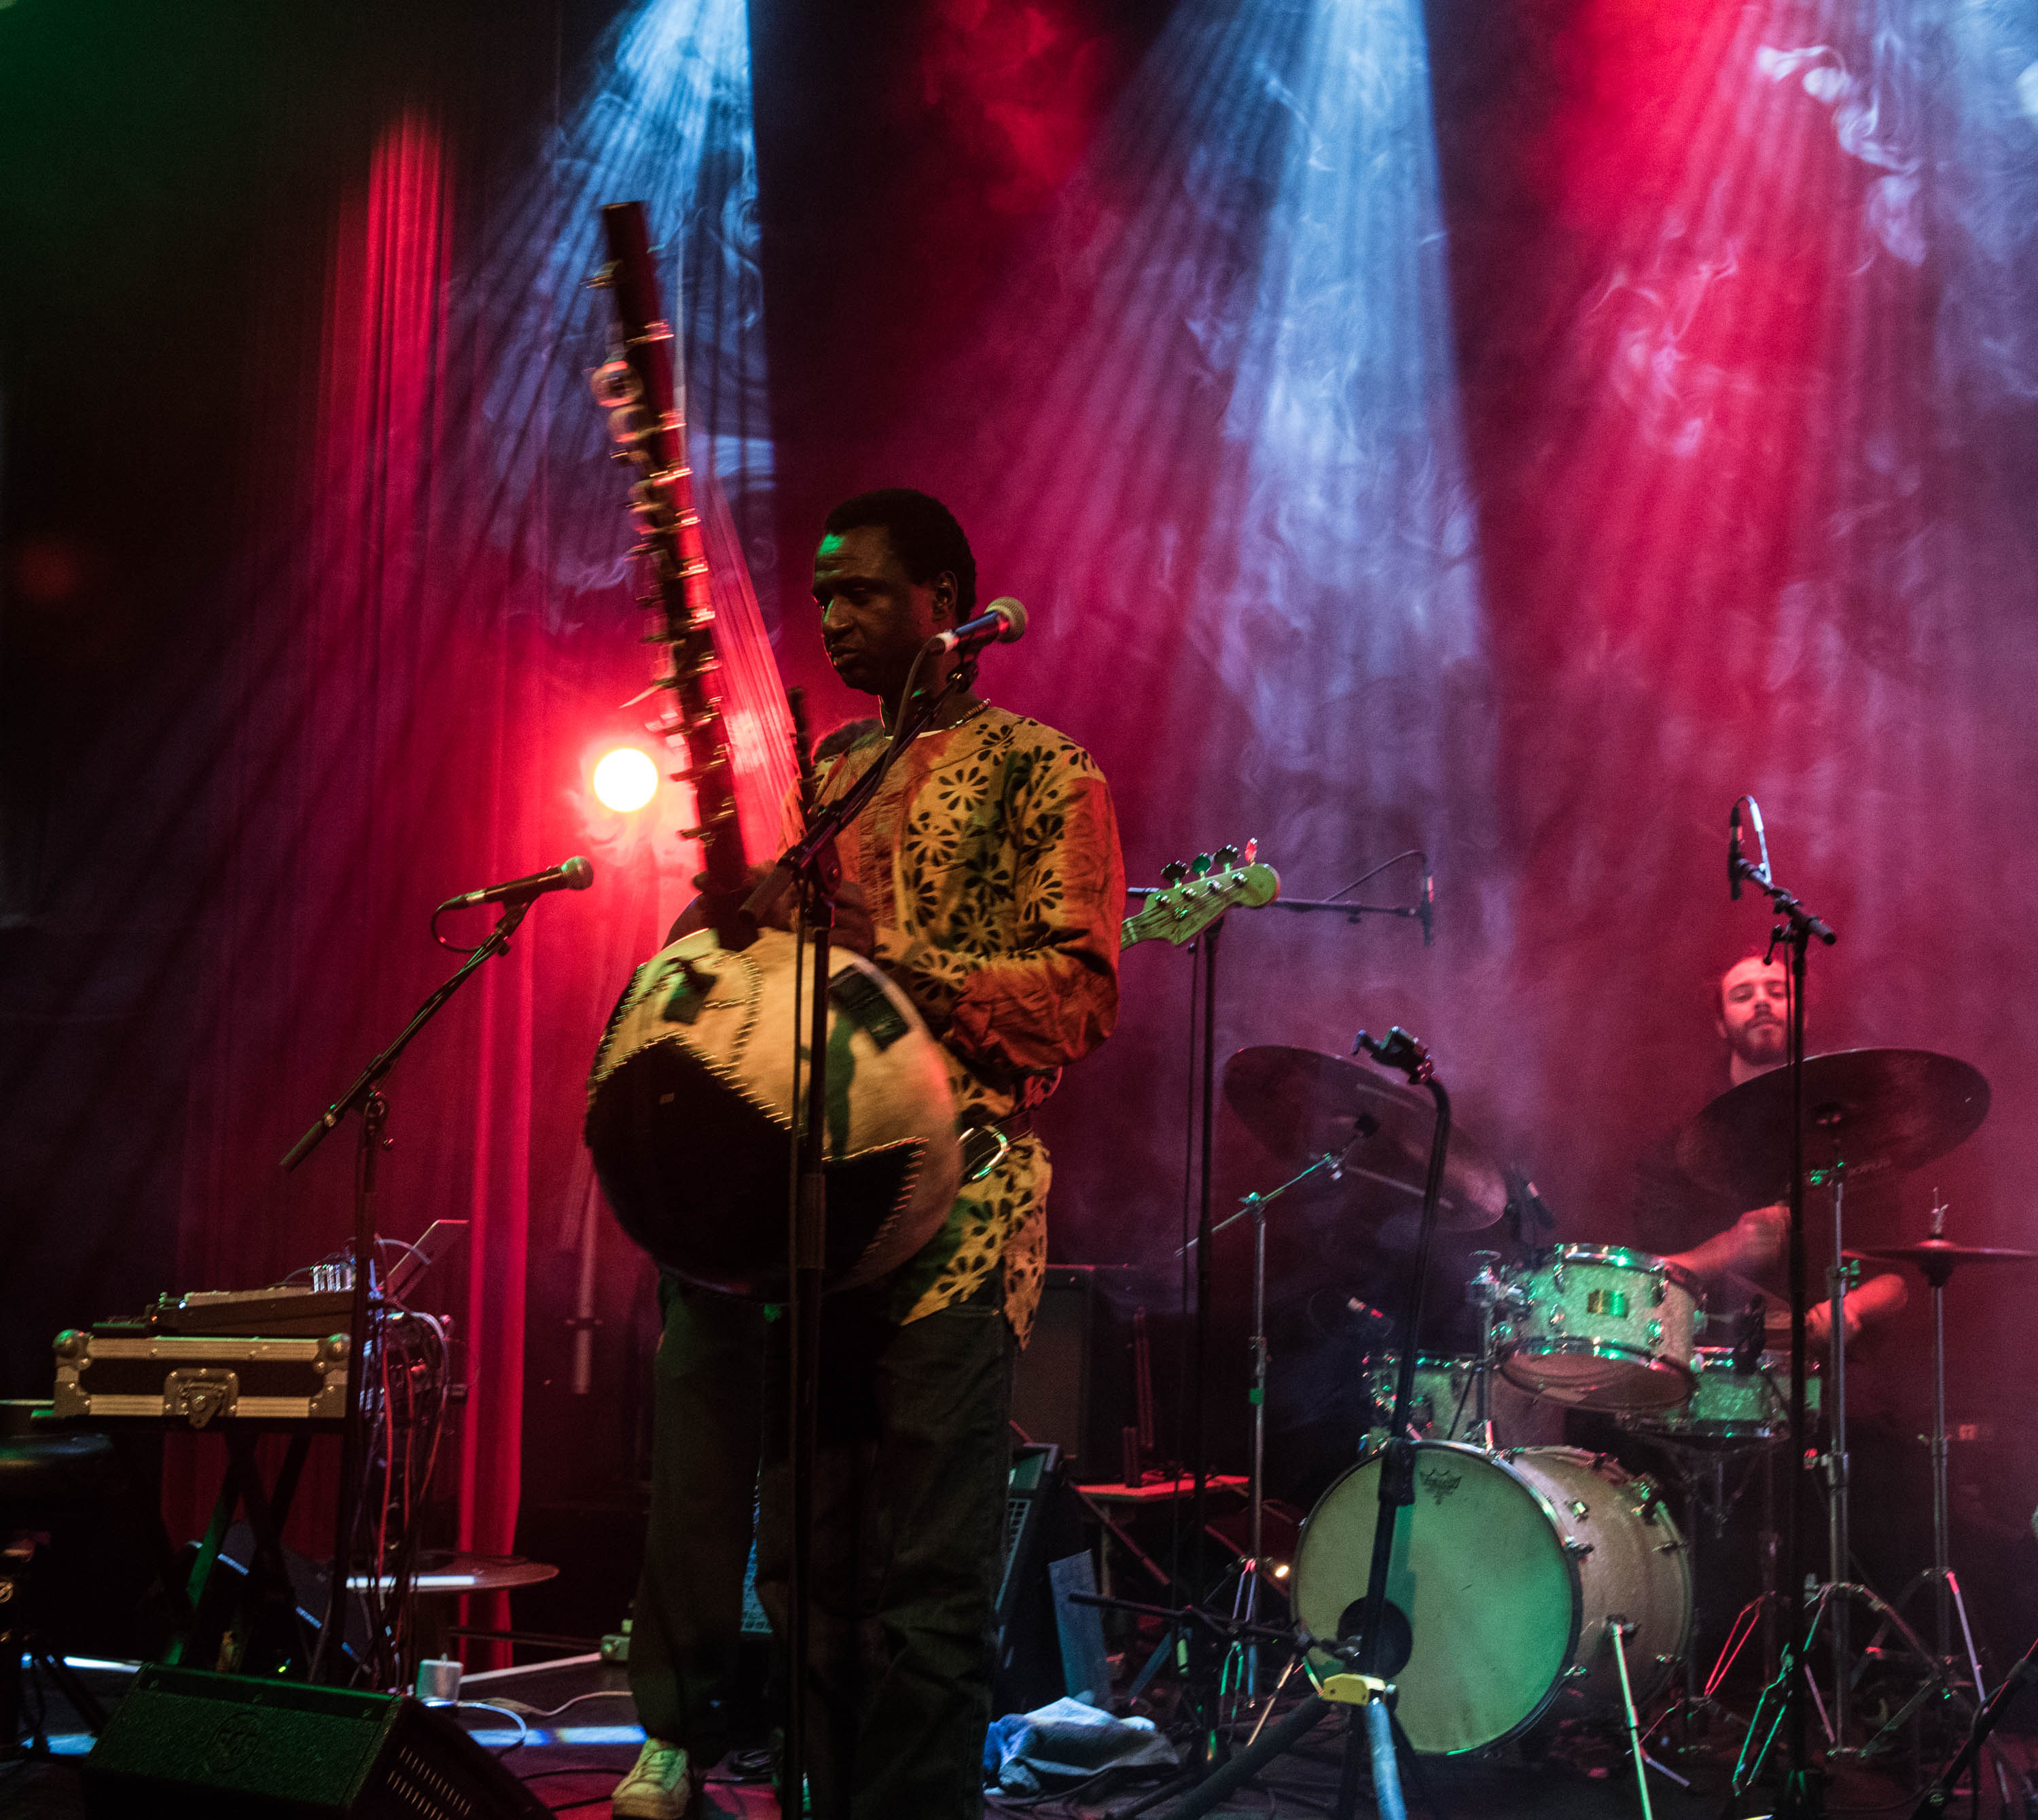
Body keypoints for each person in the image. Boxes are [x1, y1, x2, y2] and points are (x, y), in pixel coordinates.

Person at [613, 488, 1124, 1820]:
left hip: (962, 1222)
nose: (833, 616)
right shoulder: (836, 768)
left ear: (946, 604)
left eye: (862, 592)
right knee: (810, 1575)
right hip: (830, 1221)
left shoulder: (1048, 769)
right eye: (823, 595)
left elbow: (1079, 998)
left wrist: (897, 969)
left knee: (927, 1587)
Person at [1639, 951, 1907, 1346]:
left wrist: (1851, 1308)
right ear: (1721, 1025)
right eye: (1742, 995)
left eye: (1777, 992)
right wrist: (1726, 1250)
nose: (1761, 1001)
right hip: (1711, 1363)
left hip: (1834, 1368)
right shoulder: (1679, 1144)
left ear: (1804, 1016)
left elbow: (1896, 1280)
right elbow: (1645, 1275)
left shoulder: (1850, 1132)